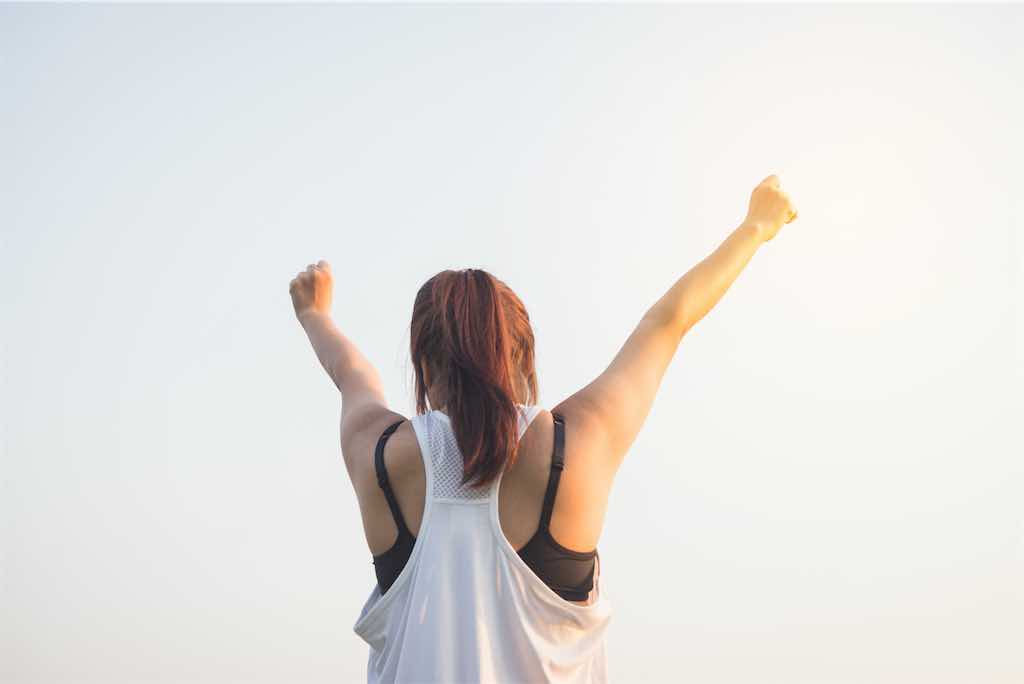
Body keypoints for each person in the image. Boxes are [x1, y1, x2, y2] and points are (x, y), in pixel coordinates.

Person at [288, 174, 798, 683]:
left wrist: (315, 314)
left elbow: (352, 374)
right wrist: (756, 226)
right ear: (525, 358)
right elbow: (667, 321)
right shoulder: (578, 445)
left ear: (421, 363)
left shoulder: (380, 457)